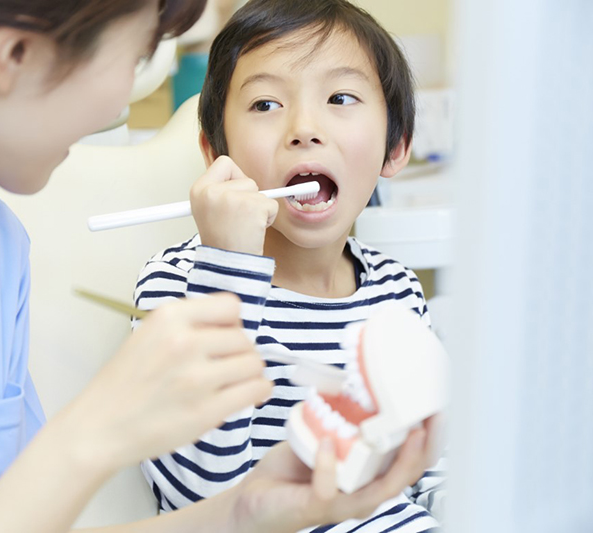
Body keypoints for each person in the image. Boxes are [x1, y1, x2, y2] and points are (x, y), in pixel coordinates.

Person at [0, 0, 437, 531]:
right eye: (133, 56)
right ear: (15, 53)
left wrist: (247, 513)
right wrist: (96, 430)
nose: (118, 106)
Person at [134, 0, 447, 531]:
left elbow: (425, 463)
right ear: (215, 154)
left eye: (340, 98)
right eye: (265, 104)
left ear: (395, 146)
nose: (304, 128)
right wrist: (228, 270)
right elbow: (200, 498)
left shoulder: (396, 288)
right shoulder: (180, 287)